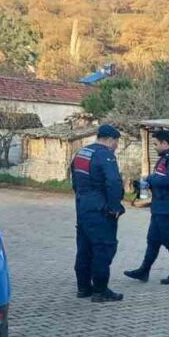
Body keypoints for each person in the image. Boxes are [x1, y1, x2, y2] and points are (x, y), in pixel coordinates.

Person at [72, 124, 126, 303]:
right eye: (116, 142)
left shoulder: (82, 153)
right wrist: (115, 206)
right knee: (103, 248)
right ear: (110, 140)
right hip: (100, 210)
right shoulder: (105, 155)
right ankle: (100, 290)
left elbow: (75, 180)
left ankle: (83, 288)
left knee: (84, 248)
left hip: (83, 207)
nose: (116, 146)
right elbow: (113, 182)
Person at [124, 130, 169, 285]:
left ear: (165, 143)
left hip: (168, 207)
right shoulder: (164, 158)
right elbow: (160, 179)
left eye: (156, 144)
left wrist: (150, 179)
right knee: (153, 240)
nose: (155, 147)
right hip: (159, 206)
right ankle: (144, 271)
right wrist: (144, 184)